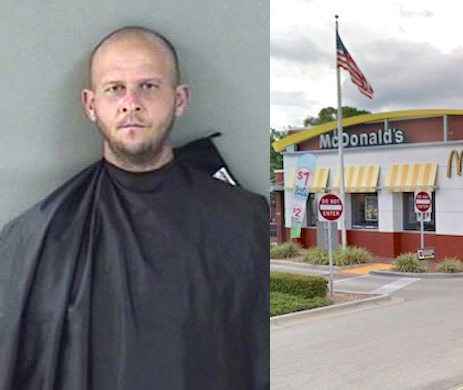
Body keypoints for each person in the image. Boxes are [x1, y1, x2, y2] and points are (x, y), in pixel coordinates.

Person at [0, 26, 269, 390]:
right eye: (114, 88)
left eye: (149, 86)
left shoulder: (243, 222)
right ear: (90, 104)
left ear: (179, 99)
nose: (131, 102)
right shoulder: (33, 240)